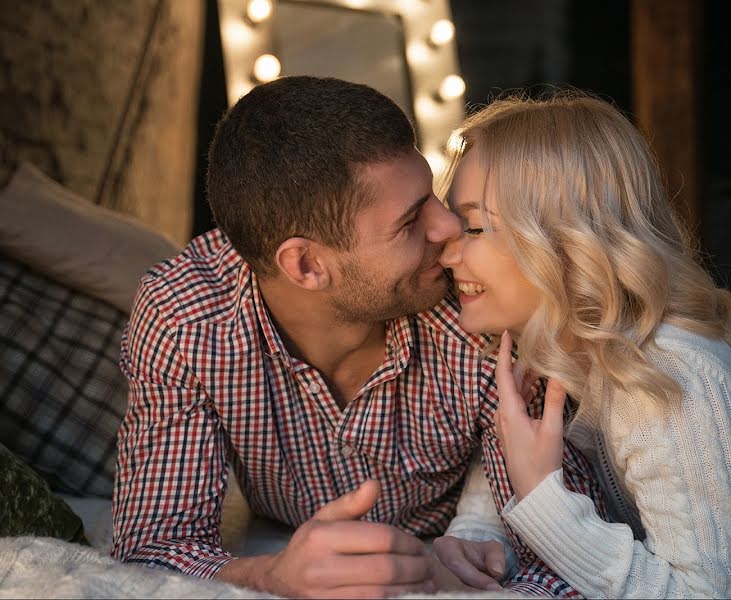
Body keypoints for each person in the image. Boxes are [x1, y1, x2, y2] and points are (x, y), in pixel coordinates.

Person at [110, 76, 609, 598]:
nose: (448, 229)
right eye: (411, 220)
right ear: (305, 265)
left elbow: (566, 565)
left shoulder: (479, 311)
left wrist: (462, 571)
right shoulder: (185, 320)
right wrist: (273, 575)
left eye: (431, 195)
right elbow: (153, 549)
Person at [435, 92, 731, 598]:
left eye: (474, 225)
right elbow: (511, 442)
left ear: (565, 239)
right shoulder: (540, 334)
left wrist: (544, 502)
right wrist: (478, 529)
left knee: (692, 370)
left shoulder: (667, 386)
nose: (447, 252)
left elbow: (705, 593)